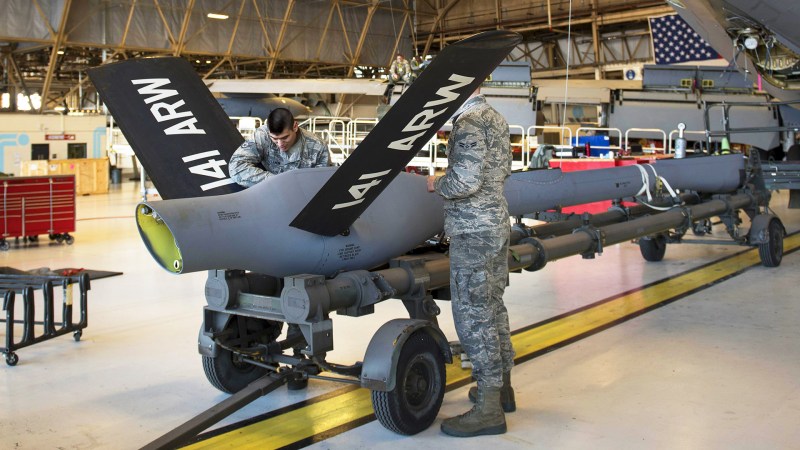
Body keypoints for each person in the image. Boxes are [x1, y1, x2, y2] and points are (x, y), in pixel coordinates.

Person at [426, 90, 516, 437]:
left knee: (473, 316)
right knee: (492, 306)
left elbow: (465, 181)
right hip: (494, 224)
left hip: (473, 231)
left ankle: (488, 410)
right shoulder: (495, 116)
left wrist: (437, 184)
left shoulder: (467, 123)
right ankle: (502, 390)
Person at [229, 107, 330, 187]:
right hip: (268, 193)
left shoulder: (318, 146)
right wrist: (275, 182)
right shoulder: (262, 135)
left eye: (285, 137)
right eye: (275, 139)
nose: (280, 143)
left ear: (295, 127)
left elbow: (322, 185)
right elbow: (236, 166)